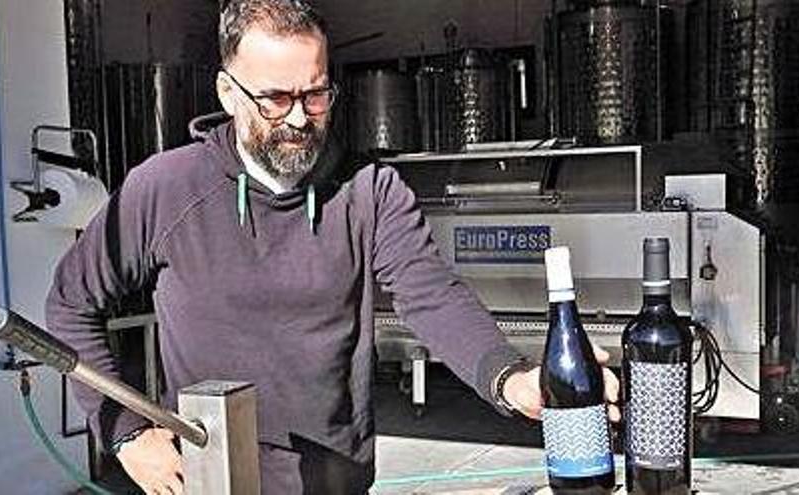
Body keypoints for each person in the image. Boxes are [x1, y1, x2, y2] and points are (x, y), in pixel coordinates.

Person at [45, 1, 619, 493]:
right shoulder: (164, 190)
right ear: (228, 91)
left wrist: (512, 378)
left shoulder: (369, 190)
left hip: (339, 481)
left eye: (315, 94)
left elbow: (432, 296)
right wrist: (126, 434)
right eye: (274, 99)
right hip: (212, 479)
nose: (298, 118)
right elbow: (70, 304)